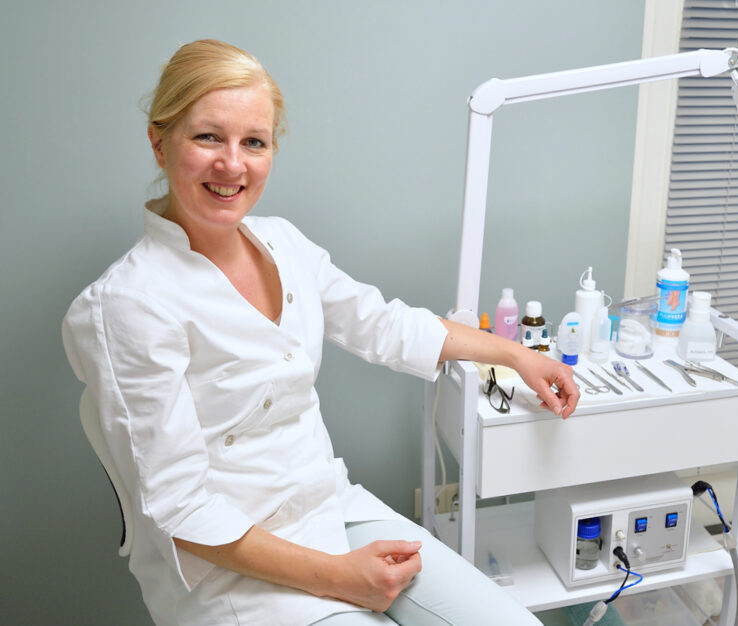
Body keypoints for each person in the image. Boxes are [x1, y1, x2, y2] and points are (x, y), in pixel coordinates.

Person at [62, 39, 579, 626]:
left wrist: (514, 355)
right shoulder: (129, 304)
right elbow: (180, 511)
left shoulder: (283, 243)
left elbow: (381, 324)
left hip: (332, 510)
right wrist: (342, 579)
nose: (233, 164)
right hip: (231, 568)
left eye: (253, 142)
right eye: (209, 137)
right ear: (160, 141)